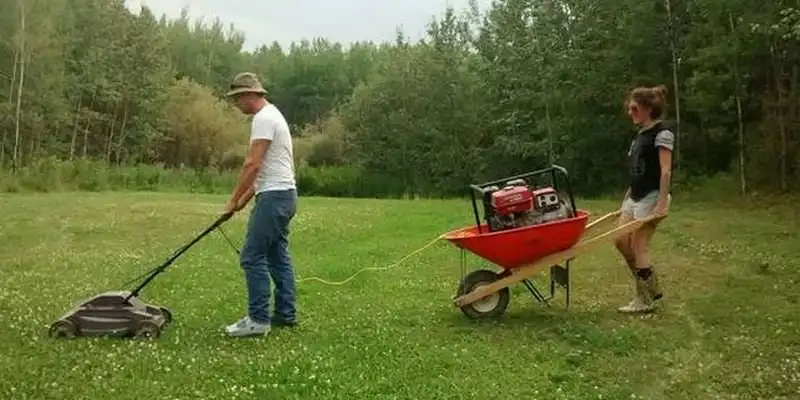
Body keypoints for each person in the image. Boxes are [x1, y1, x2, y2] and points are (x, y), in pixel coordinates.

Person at [220, 72, 298, 337]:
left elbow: (252, 164)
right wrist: (241, 202)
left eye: (237, 98)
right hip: (285, 195)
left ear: (250, 95)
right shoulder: (274, 115)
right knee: (277, 256)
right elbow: (265, 169)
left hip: (274, 198)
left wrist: (231, 200)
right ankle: (286, 314)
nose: (236, 104)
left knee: (252, 257)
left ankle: (258, 320)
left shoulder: (263, 119)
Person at [614, 84, 675, 314]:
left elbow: (666, 170)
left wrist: (662, 203)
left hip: (652, 197)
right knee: (620, 240)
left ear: (648, 108)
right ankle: (650, 286)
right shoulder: (640, 134)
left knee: (639, 245)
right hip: (634, 196)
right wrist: (627, 196)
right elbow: (636, 169)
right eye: (629, 108)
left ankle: (645, 299)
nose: (630, 113)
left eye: (634, 109)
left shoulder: (662, 133)